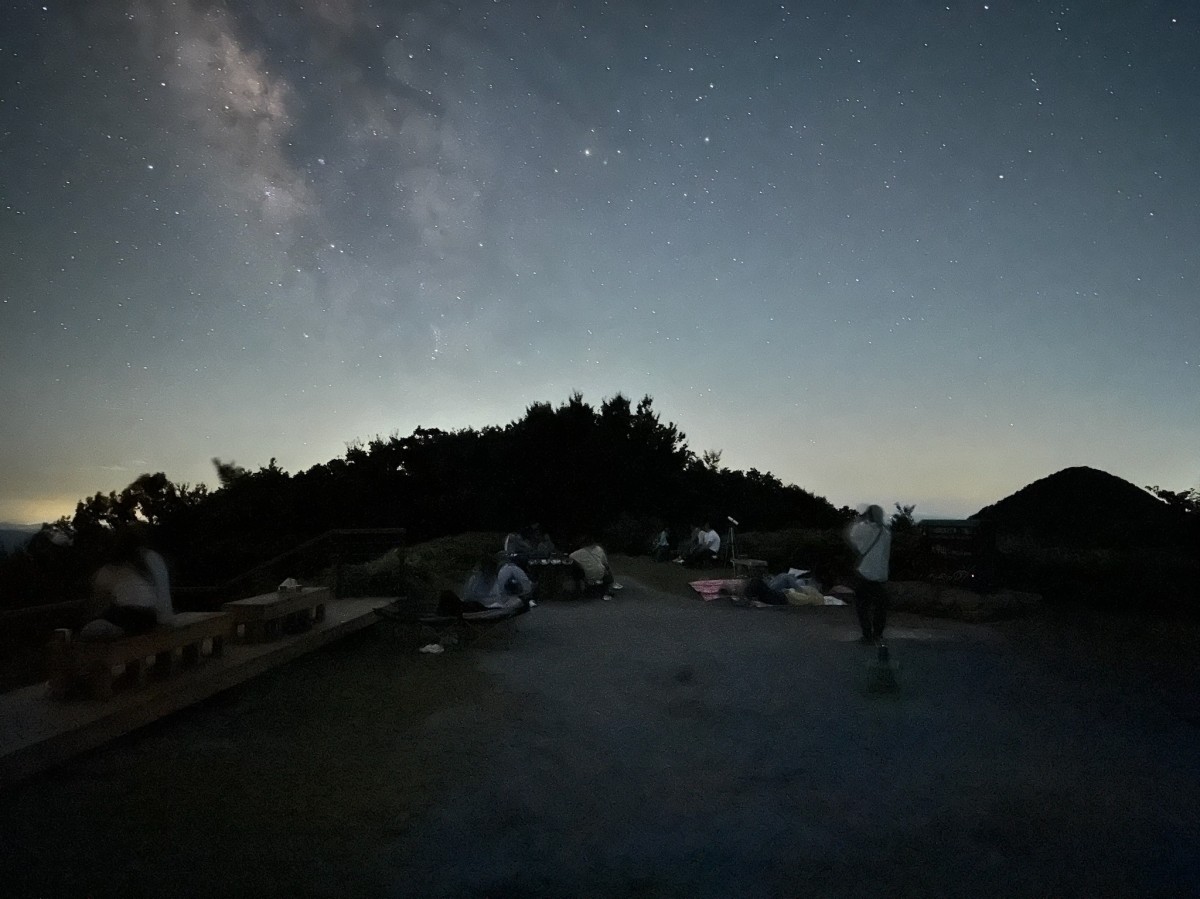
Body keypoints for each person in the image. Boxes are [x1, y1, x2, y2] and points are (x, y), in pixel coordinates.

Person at [83, 524, 176, 638]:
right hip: (151, 616)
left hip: (133, 614)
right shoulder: (152, 558)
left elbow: (98, 599)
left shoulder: (114, 566)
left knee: (90, 629)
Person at [846, 504, 892, 644]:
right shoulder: (886, 533)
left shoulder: (863, 529)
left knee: (862, 607)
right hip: (880, 576)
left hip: (864, 574)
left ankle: (867, 635)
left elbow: (852, 536)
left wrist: (860, 519)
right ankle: (878, 634)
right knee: (880, 607)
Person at [457, 554, 533, 613]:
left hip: (488, 606)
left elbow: (501, 597)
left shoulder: (497, 580)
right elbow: (469, 596)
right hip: (478, 605)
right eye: (486, 569)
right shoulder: (475, 579)